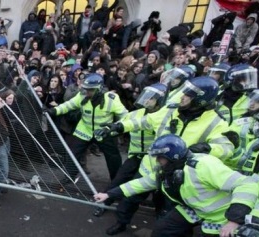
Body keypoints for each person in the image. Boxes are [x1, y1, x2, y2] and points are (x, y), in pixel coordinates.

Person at [93, 76, 234, 235]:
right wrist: (117, 127)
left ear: (200, 101)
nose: (182, 96)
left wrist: (208, 148)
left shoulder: (217, 122)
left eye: (188, 95)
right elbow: (143, 121)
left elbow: (227, 148)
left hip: (179, 177)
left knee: (166, 208)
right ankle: (121, 222)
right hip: (151, 167)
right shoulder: (170, 110)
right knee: (130, 200)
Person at [94, 134, 258, 236]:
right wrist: (109, 194)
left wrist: (234, 220)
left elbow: (246, 185)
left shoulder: (203, 165)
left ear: (173, 156)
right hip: (193, 208)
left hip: (221, 217)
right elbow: (142, 183)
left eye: (160, 157)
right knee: (161, 231)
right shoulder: (168, 169)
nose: (157, 161)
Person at [93, 83, 168, 217]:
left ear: (160, 101)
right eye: (146, 97)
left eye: (151, 98)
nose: (146, 100)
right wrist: (107, 131)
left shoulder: (164, 119)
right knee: (118, 179)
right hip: (135, 156)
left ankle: (159, 213)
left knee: (157, 191)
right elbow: (120, 125)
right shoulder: (134, 114)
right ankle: (104, 203)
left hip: (153, 159)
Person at [46, 73, 128, 182]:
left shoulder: (111, 99)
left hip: (104, 132)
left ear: (99, 89)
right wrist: (54, 111)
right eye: (86, 89)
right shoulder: (82, 95)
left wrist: (114, 127)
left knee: (113, 157)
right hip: (85, 130)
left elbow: (125, 116)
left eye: (91, 90)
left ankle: (116, 182)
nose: (87, 92)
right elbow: (68, 105)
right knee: (73, 153)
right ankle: (70, 176)